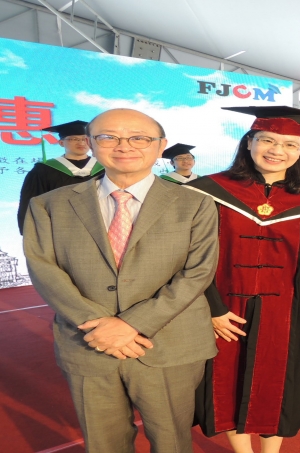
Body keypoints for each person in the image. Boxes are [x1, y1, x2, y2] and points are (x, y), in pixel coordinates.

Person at [23, 108, 219, 453]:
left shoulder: (196, 204)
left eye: (139, 138)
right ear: (91, 143)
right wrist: (97, 324)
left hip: (168, 343)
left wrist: (131, 325)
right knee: (104, 443)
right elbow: (43, 267)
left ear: (161, 146)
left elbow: (197, 272)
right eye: (108, 137)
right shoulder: (49, 205)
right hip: (89, 340)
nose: (124, 146)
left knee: (172, 441)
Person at [186, 106, 300, 453]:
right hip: (222, 310)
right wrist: (211, 309)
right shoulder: (207, 192)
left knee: (277, 386)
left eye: (291, 145)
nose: (278, 150)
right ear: (249, 142)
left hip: (284, 314)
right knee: (227, 382)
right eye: (267, 140)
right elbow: (185, 256)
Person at [17, 120, 104, 233]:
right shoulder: (43, 169)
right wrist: (32, 232)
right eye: (73, 139)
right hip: (59, 228)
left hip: (101, 226)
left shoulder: (104, 168)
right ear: (61, 143)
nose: (81, 143)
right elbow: (31, 201)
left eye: (85, 139)